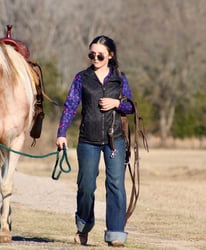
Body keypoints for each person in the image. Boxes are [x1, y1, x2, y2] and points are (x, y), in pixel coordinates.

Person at [56, 35, 134, 247]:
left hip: (114, 139)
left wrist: (117, 103)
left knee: (116, 184)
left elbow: (131, 106)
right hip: (87, 139)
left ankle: (116, 233)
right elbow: (71, 105)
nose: (95, 58)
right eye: (92, 54)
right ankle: (83, 227)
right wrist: (61, 133)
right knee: (86, 186)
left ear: (110, 55)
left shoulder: (120, 78)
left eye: (100, 54)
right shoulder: (82, 78)